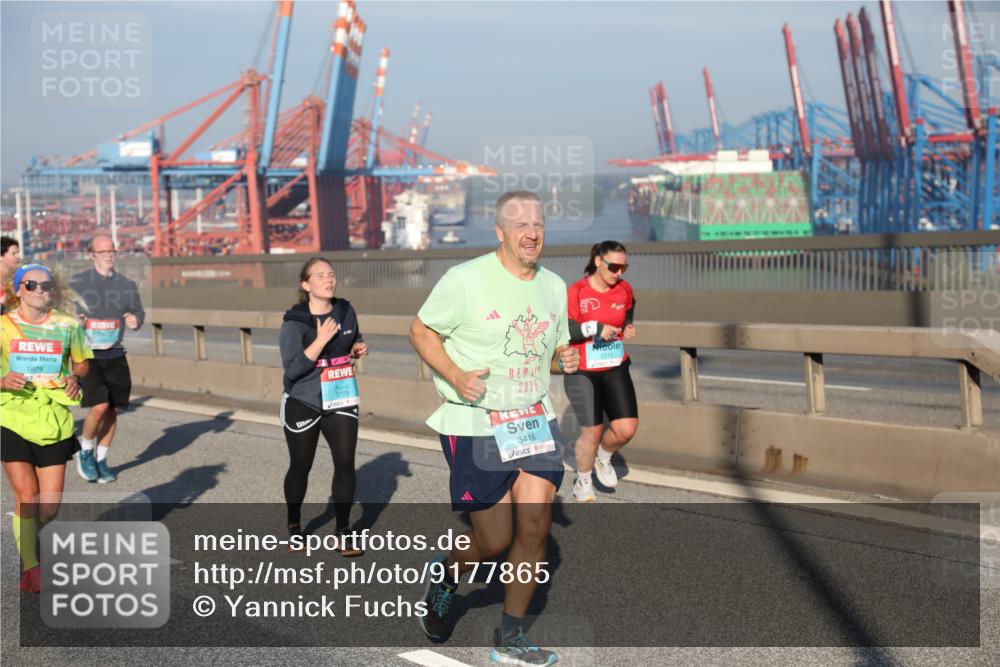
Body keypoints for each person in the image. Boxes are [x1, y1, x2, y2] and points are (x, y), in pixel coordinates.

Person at [410, 190, 579, 666]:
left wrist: (563, 361)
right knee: (495, 539)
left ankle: (510, 639)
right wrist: (456, 376)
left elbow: (552, 354)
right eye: (520, 224)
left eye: (539, 224)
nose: (532, 232)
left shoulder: (554, 286)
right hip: (476, 423)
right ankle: (447, 574)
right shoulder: (464, 280)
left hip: (532, 418)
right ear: (500, 231)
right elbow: (421, 331)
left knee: (535, 527)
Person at [1, 263, 92, 592]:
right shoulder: (2, 327)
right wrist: (2, 380)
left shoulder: (68, 326)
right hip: (10, 416)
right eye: (31, 285)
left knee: (49, 507)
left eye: (46, 285)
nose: (40, 290)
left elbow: (82, 362)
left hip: (53, 419)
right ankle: (31, 567)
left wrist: (73, 377)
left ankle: (31, 542)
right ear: (17, 290)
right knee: (27, 495)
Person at [279, 257, 368, 557]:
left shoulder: (345, 309)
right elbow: (292, 370)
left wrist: (358, 346)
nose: (329, 280)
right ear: (306, 285)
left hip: (340, 394)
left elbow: (352, 338)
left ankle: (342, 531)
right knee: (301, 466)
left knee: (345, 462)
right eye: (320, 276)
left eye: (331, 275)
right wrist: (320, 340)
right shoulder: (294, 322)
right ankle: (294, 526)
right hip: (304, 399)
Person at [564, 241, 639, 502]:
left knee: (626, 429)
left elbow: (628, 310)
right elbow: (566, 329)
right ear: (598, 261)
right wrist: (595, 328)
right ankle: (583, 481)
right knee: (592, 432)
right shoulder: (577, 292)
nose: (619, 273)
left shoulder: (624, 289)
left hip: (615, 364)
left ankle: (603, 458)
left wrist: (628, 326)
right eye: (614, 266)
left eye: (624, 267)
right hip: (584, 370)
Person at [69, 234, 145, 484]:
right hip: (89, 355)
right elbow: (65, 312)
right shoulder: (78, 283)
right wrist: (75, 320)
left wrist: (135, 320)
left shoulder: (126, 285)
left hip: (115, 354)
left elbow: (137, 311)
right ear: (92, 256)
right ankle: (86, 451)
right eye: (103, 252)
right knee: (99, 406)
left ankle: (101, 459)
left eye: (112, 251)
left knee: (112, 410)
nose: (109, 255)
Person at [1, 236, 22, 313]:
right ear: (1, 256)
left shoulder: (18, 277)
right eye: (14, 254)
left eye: (18, 253)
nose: (18, 256)